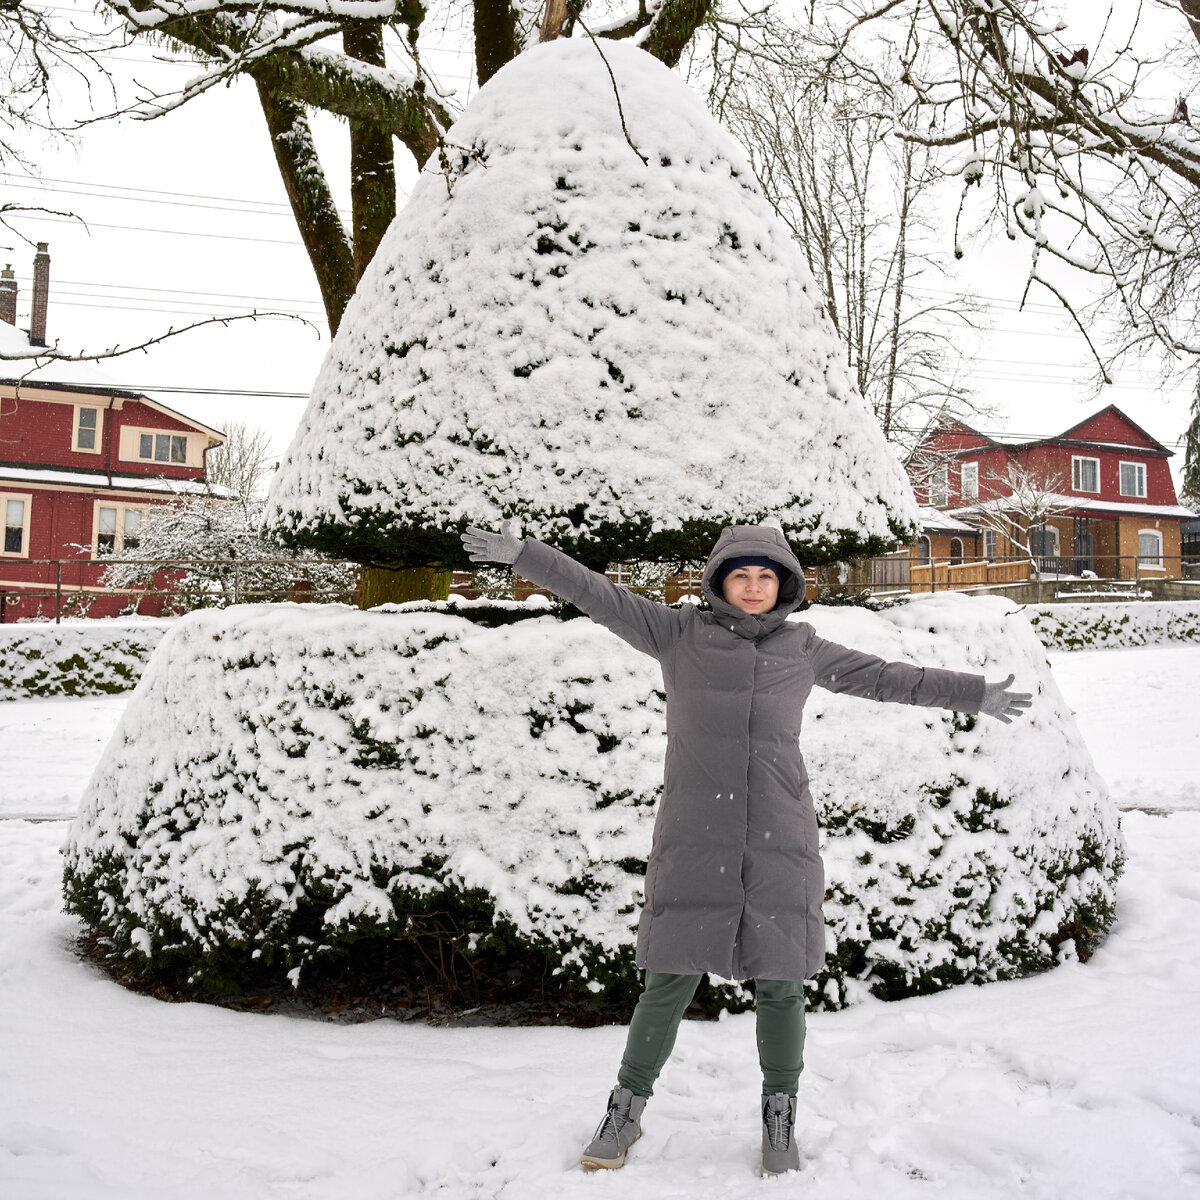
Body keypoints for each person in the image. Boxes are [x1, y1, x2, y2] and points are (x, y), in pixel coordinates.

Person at [461, 521, 1031, 1176]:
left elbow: (885, 678)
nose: (754, 587)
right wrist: (527, 555)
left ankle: (779, 1114)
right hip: (694, 835)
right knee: (668, 979)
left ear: (783, 584)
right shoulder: (677, 634)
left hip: (780, 836)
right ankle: (624, 1110)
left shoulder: (804, 647)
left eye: (766, 576)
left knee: (782, 982)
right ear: (720, 582)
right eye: (742, 575)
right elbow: (600, 596)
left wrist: (974, 694)